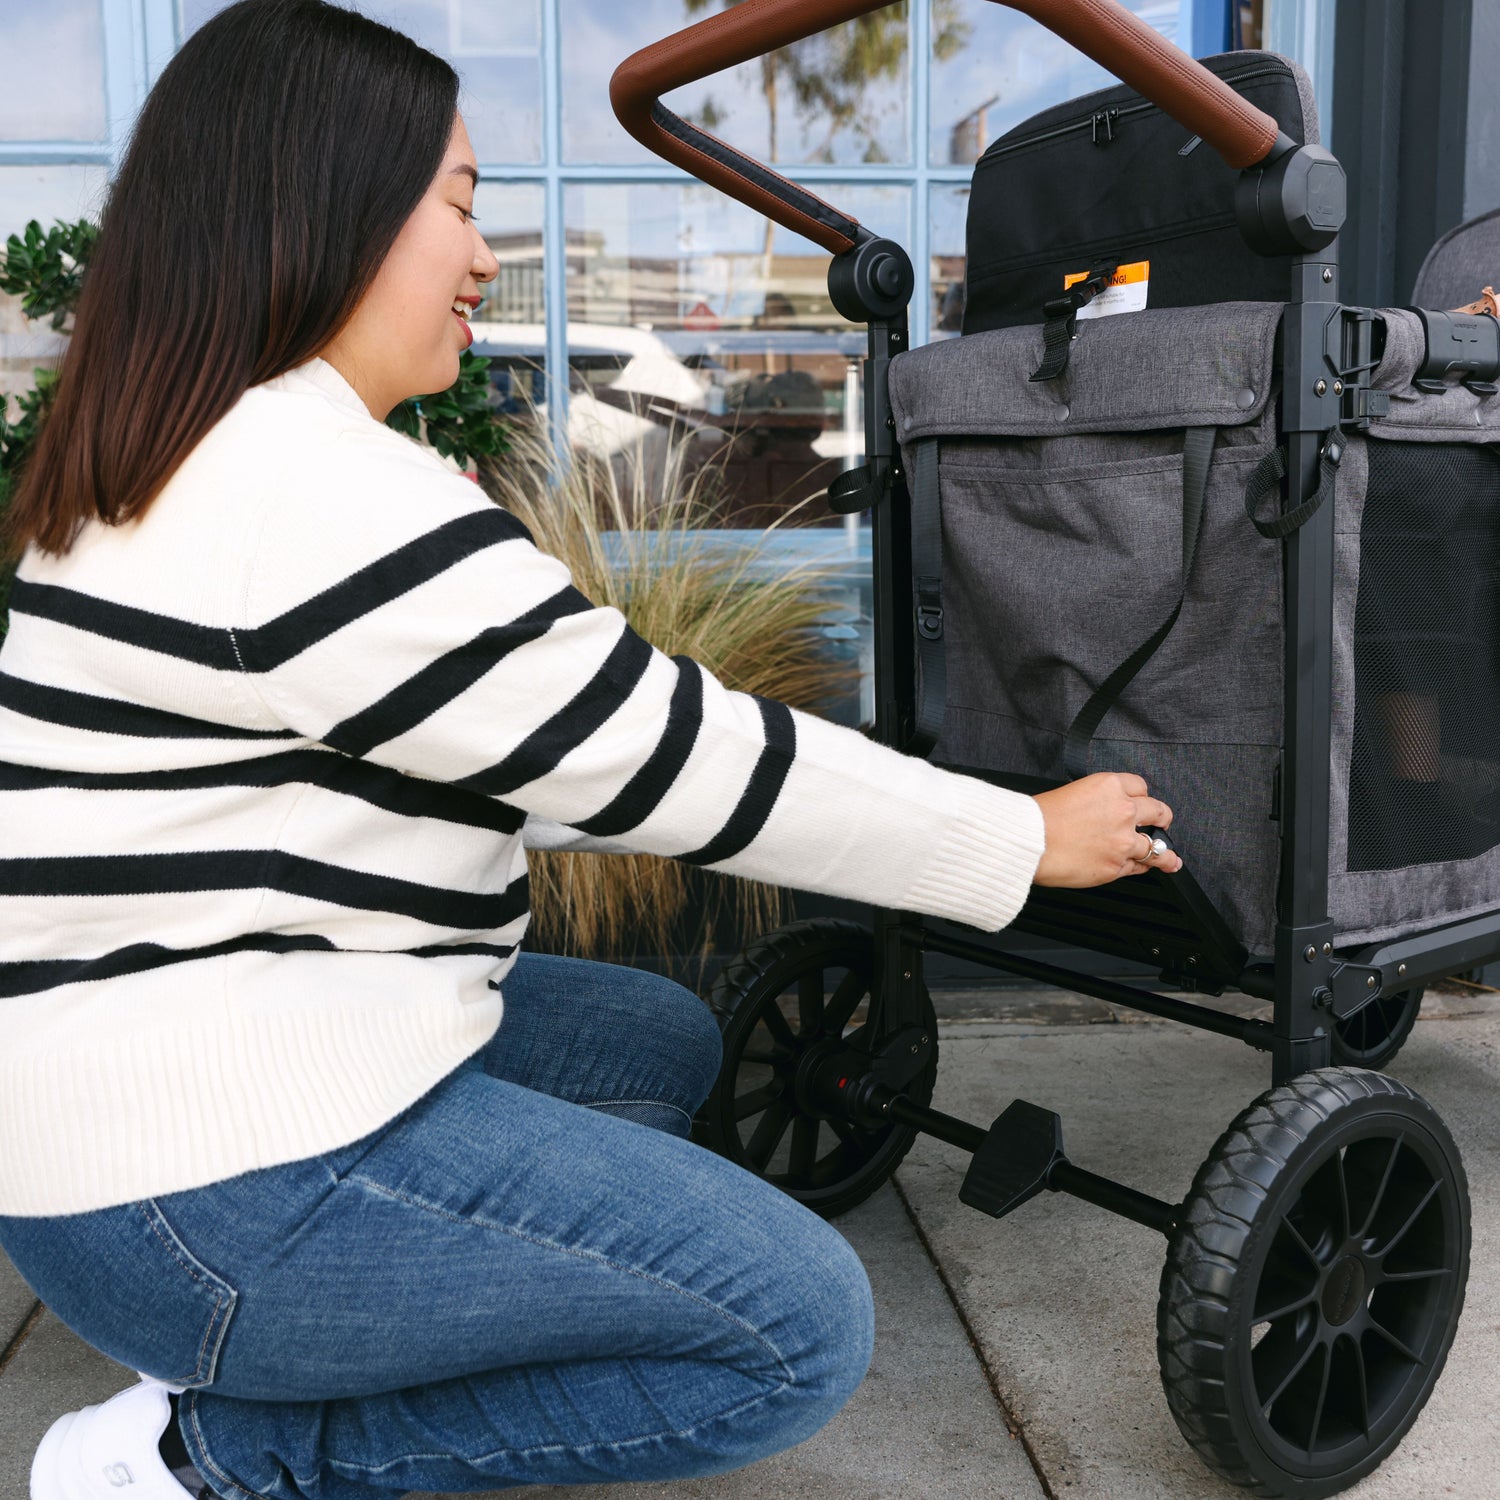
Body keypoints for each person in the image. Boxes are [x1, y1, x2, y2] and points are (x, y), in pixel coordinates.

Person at [0, 3, 1182, 1496]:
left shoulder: (188, 454)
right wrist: (1019, 842)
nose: (486, 256)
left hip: (120, 1130)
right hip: (191, 1189)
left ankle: (270, 1324)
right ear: (329, 212)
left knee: (658, 1045)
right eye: (459, 202)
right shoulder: (308, 493)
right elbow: (669, 754)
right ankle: (204, 1454)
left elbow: (509, 754)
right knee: (792, 1328)